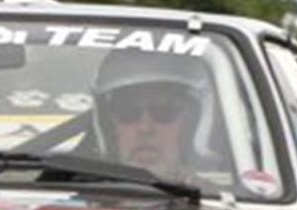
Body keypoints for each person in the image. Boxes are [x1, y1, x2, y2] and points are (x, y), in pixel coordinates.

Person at [91, 49, 213, 182]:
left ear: (190, 125)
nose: (145, 128)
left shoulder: (219, 199)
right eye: (128, 112)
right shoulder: (79, 196)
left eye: (165, 111)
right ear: (108, 126)